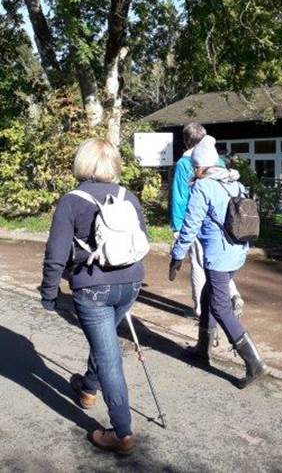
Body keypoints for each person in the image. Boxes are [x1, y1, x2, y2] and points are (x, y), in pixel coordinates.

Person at [40, 138, 147, 455]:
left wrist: (49, 294)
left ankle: (123, 434)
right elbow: (141, 242)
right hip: (131, 283)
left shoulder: (72, 201)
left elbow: (56, 254)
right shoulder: (129, 197)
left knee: (108, 355)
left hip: (92, 287)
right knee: (105, 344)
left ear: (83, 163)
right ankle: (88, 388)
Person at [169, 135, 268, 388]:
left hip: (218, 257)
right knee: (207, 296)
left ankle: (254, 363)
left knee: (221, 307)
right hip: (237, 252)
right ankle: (202, 350)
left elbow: (190, 224)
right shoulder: (235, 183)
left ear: (201, 166)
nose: (194, 170)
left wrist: (177, 254)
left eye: (195, 167)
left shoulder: (204, 187)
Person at [171, 122, 244, 318]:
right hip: (222, 222)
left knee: (198, 264)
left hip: (195, 221)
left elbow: (180, 197)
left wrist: (178, 227)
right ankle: (233, 294)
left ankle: (200, 309)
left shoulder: (184, 163)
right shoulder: (218, 161)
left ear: (186, 141)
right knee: (218, 263)